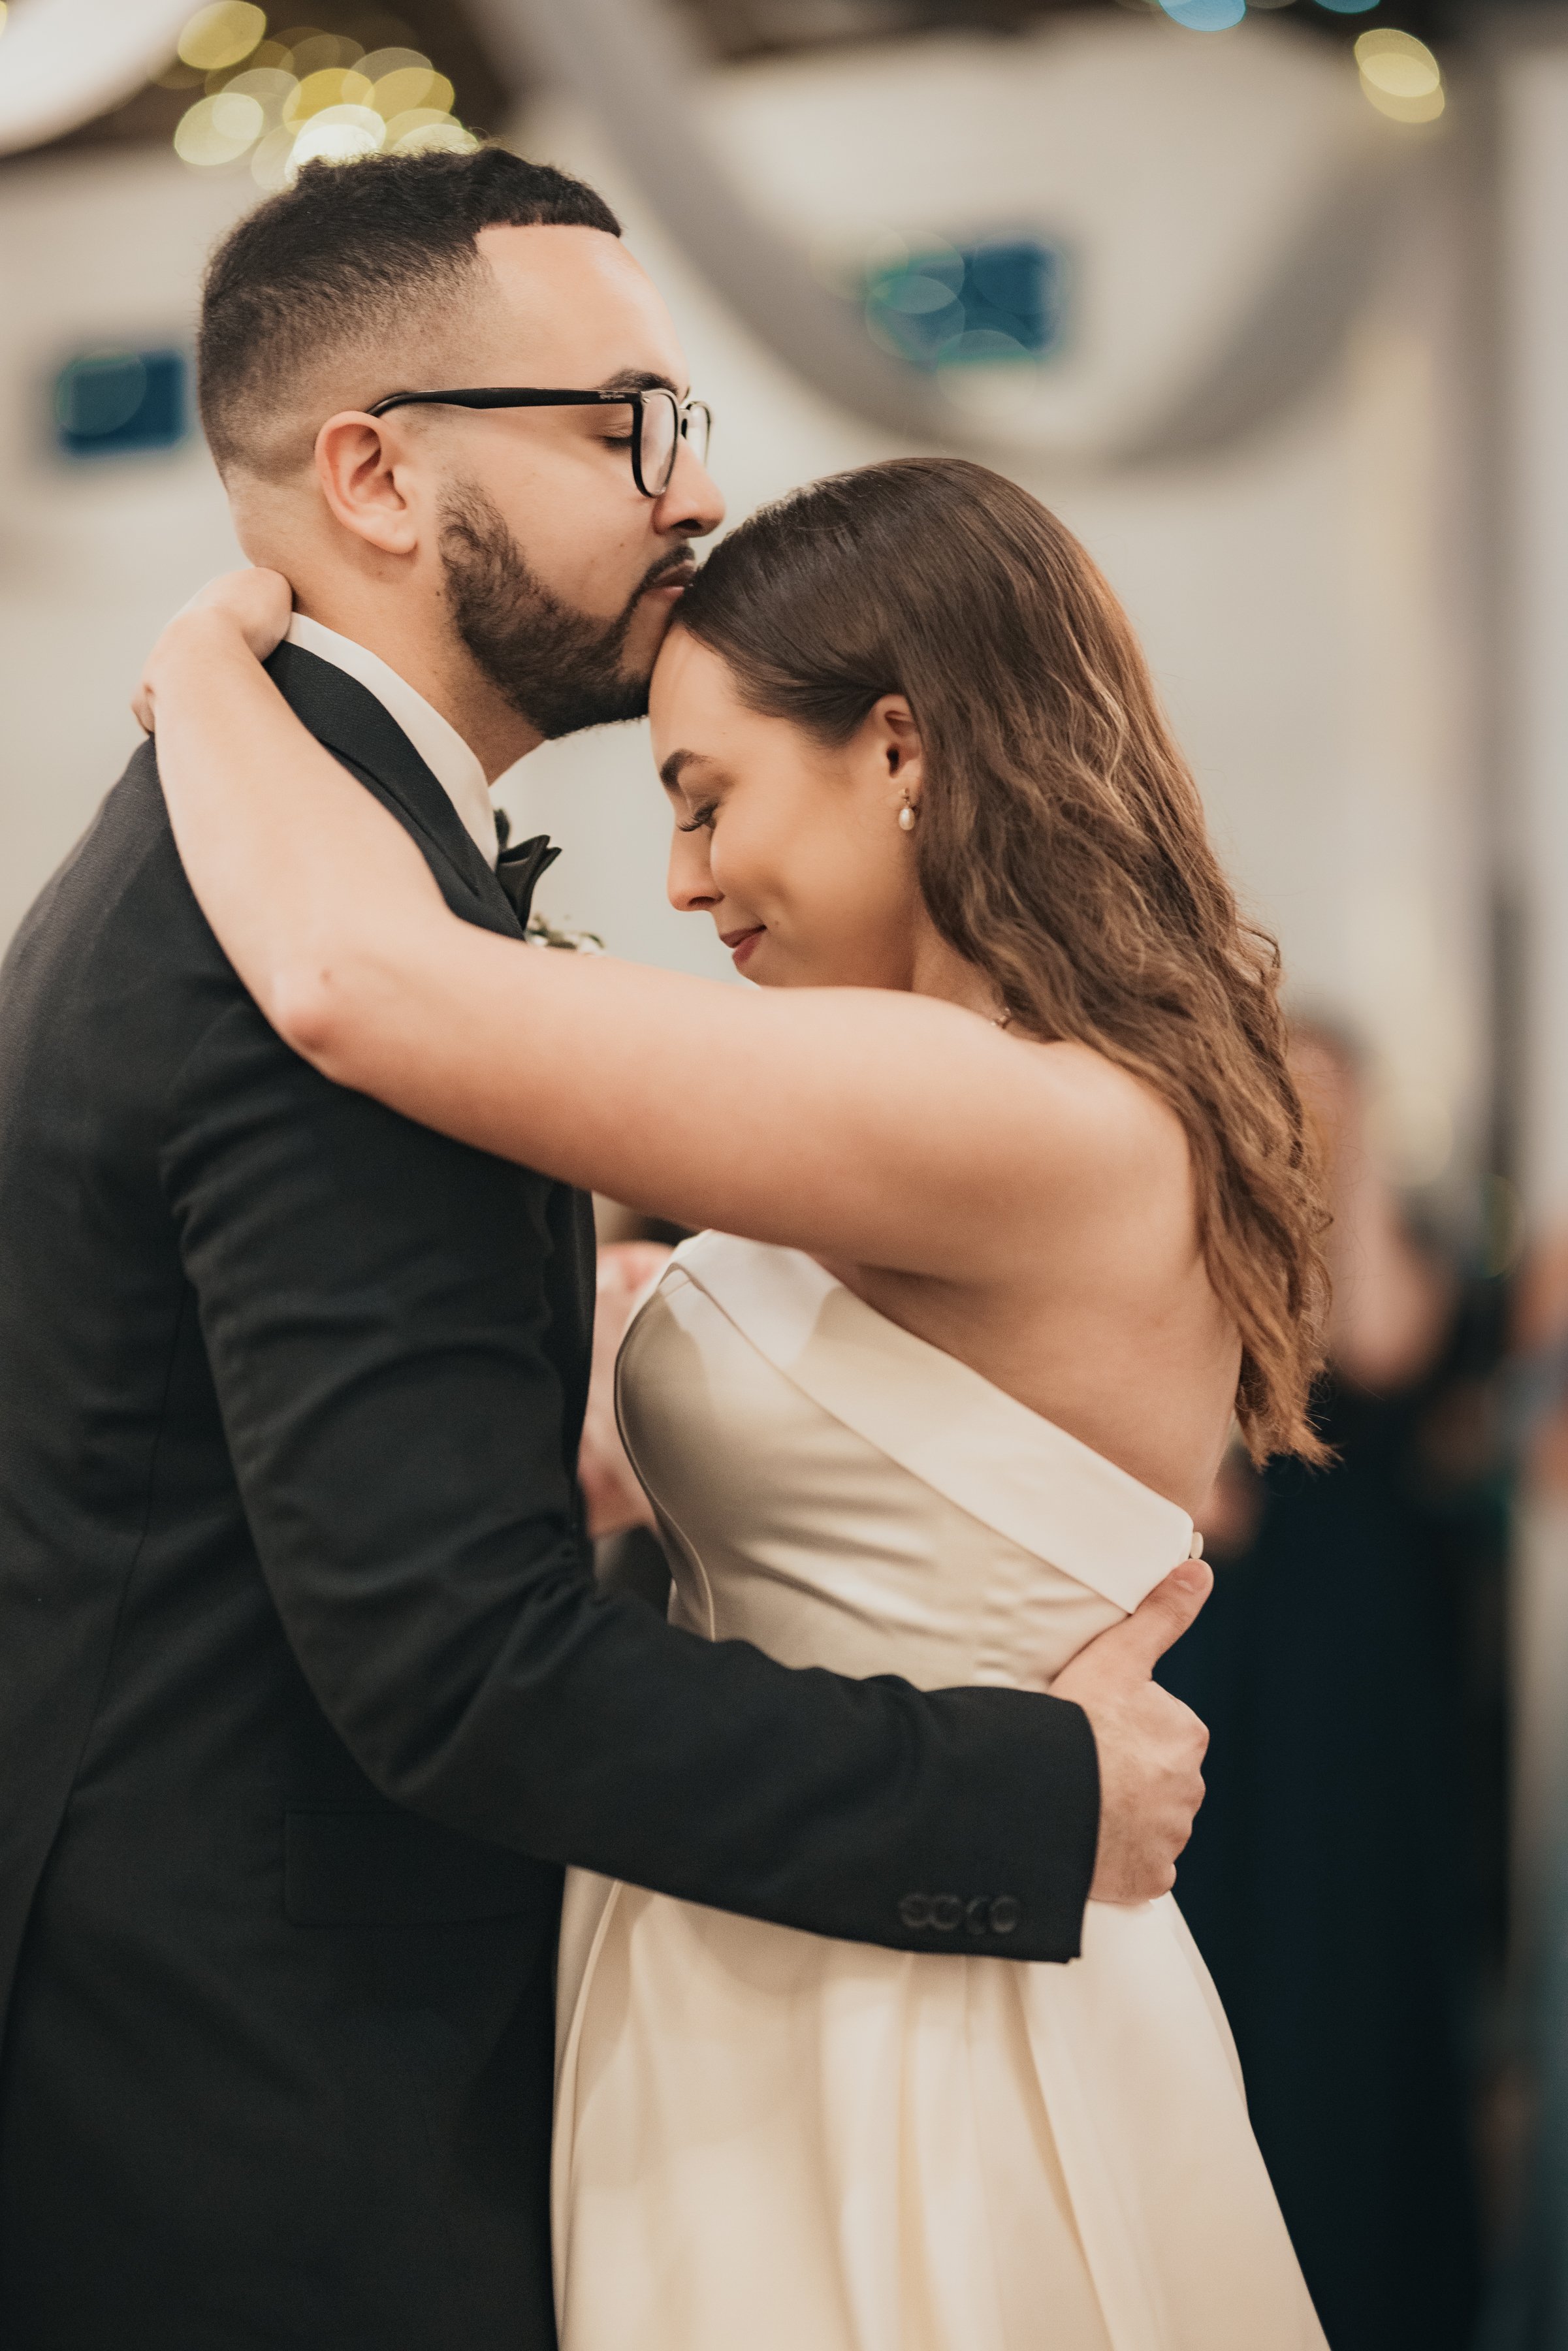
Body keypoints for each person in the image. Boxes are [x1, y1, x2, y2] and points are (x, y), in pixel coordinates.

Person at [0, 151, 1213, 2351]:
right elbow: (451, 1664)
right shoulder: (302, 946)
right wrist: (1023, 1797)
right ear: (373, 475)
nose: (689, 487)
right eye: (626, 421)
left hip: (595, 2024)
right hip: (266, 2119)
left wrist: (199, 660)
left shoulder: (327, 901)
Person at [1158, 1021, 1502, 2351]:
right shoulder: (1174, 1216)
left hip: (1353, 1654)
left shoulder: (1391, 1244)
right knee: (1230, 1948)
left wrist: (1342, 1167)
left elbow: (1384, 1349)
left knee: (1352, 1953)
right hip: (1218, 1646)